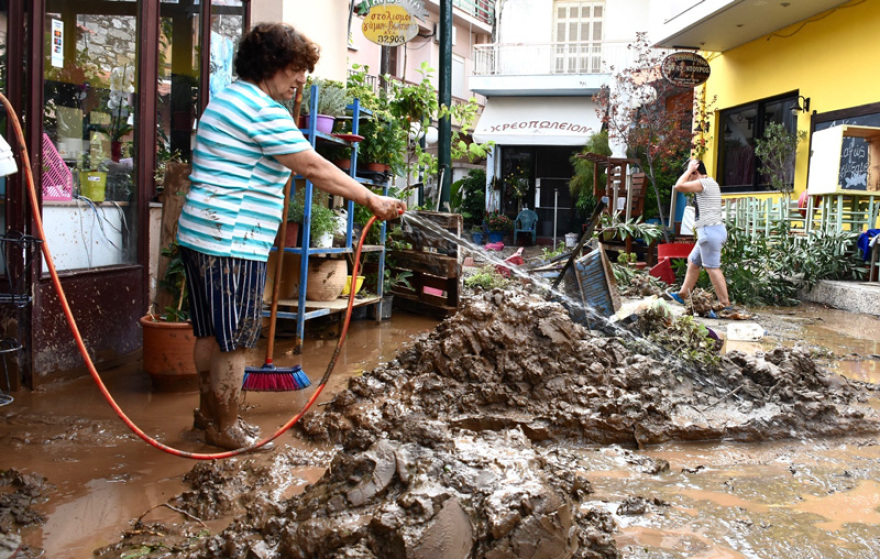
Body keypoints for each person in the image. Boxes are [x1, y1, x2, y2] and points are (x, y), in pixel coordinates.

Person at [176, 22, 406, 450]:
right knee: (234, 341)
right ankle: (226, 428)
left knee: (209, 334)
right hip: (232, 239)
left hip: (199, 234)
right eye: (296, 69)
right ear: (271, 65)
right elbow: (314, 167)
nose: (302, 79)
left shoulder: (225, 100)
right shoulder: (263, 111)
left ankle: (207, 418)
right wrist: (371, 199)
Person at [665, 159, 731, 314]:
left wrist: (688, 170)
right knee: (693, 261)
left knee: (712, 268)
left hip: (710, 232)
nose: (689, 179)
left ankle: (725, 304)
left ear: (695, 172)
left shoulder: (704, 183)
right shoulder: (710, 183)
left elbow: (679, 186)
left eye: (690, 175)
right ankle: (683, 294)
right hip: (712, 231)